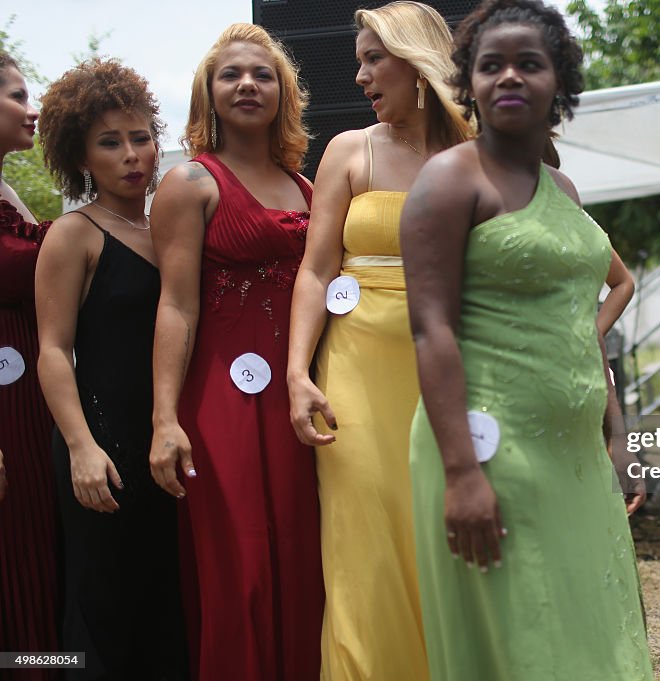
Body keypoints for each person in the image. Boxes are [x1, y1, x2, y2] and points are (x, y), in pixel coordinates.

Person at [400, 1, 653, 678]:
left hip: (574, 458)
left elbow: (580, 321)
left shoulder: (563, 188)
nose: (508, 77)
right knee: (530, 643)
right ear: (470, 83)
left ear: (560, 82)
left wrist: (617, 434)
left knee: (590, 634)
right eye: (491, 65)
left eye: (529, 63)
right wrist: (461, 472)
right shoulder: (448, 180)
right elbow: (431, 328)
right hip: (491, 452)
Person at [286, 3, 472, 678]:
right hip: (355, 373)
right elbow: (314, 270)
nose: (359, 74)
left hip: (454, 371)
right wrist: (296, 373)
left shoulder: (476, 153)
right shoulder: (347, 150)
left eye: (372, 58)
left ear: (416, 61)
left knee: (445, 539)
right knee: (364, 546)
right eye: (358, 59)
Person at [148, 24, 323, 681]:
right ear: (209, 94)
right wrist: (165, 418)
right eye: (232, 75)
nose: (248, 84)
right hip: (220, 401)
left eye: (263, 74)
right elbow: (175, 305)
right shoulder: (191, 181)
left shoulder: (307, 187)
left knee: (304, 562)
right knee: (240, 570)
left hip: (298, 397)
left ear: (284, 93)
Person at [34, 58, 188, 680]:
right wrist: (80, 448)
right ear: (79, 156)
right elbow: (51, 348)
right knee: (100, 606)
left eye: (141, 137)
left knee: (165, 603)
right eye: (110, 142)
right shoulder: (74, 234)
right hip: (100, 443)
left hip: (167, 440)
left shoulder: (171, 229)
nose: (132, 155)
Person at [0, 49, 60, 679]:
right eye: (17, 95)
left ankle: (41, 666)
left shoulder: (8, 191)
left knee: (36, 558)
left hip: (28, 408)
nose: (32, 108)